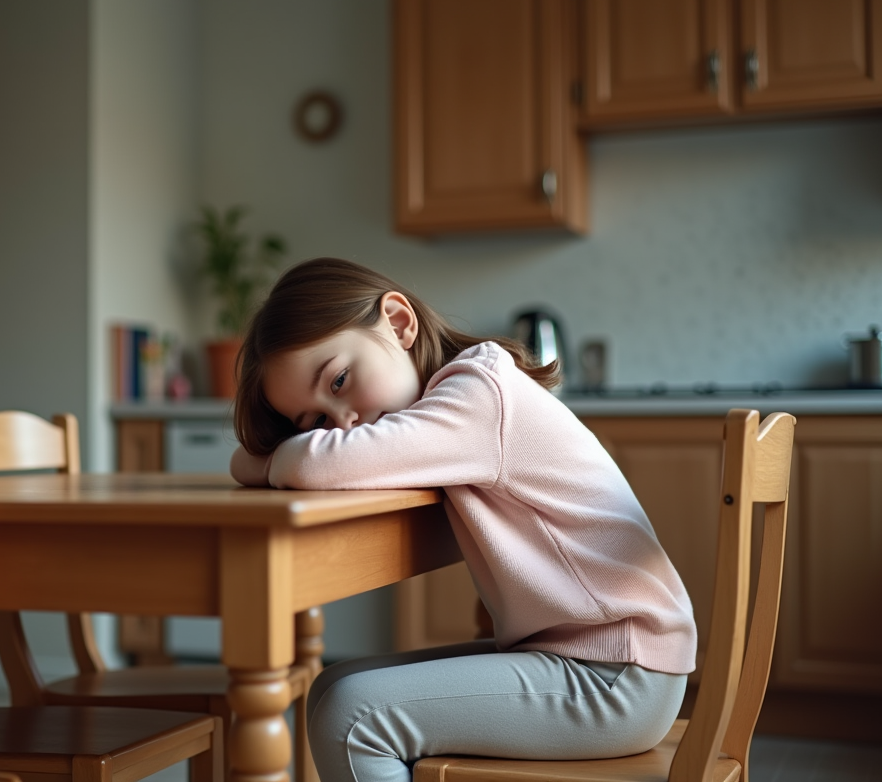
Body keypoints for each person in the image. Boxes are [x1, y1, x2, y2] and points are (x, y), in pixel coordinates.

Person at [230, 257, 695, 782]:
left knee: (351, 717)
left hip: (616, 674)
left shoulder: (477, 392)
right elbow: (295, 460)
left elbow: (319, 464)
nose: (343, 425)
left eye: (339, 380)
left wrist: (275, 461)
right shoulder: (450, 409)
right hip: (595, 658)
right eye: (315, 421)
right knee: (329, 689)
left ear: (399, 324)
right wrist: (278, 459)